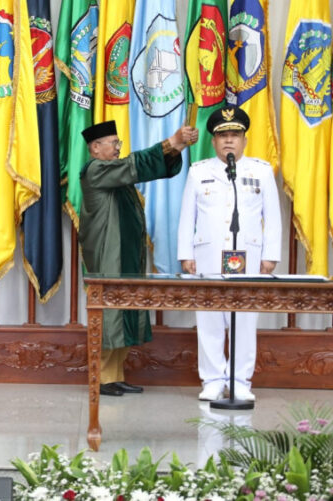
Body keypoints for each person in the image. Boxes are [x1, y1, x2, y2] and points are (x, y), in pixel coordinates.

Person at [79, 120, 199, 396]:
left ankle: (116, 374)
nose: (118, 148)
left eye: (119, 143)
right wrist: (172, 142)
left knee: (126, 311)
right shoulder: (95, 170)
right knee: (111, 314)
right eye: (114, 143)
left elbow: (146, 169)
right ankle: (102, 378)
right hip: (108, 256)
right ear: (95, 148)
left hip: (126, 254)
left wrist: (175, 148)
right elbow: (135, 165)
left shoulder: (115, 175)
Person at [177, 106, 281, 402]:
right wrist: (186, 253)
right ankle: (212, 380)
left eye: (234, 135)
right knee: (209, 318)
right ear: (213, 141)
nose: (229, 141)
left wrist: (270, 254)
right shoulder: (199, 172)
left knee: (245, 319)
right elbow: (188, 216)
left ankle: (240, 381)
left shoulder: (260, 171)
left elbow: (272, 216)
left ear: (244, 140)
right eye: (223, 136)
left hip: (248, 254)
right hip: (208, 255)